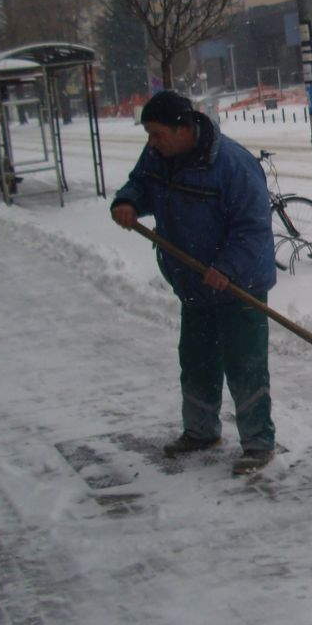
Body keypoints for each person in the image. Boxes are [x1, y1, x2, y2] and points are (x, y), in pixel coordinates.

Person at [110, 90, 278, 475]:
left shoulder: (232, 164)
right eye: (148, 135)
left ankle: (258, 443)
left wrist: (228, 267)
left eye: (157, 134)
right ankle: (201, 432)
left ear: (183, 128)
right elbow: (141, 183)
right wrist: (128, 202)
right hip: (192, 282)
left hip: (239, 285)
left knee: (244, 365)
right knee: (197, 361)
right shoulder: (158, 156)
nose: (151, 143)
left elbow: (253, 229)